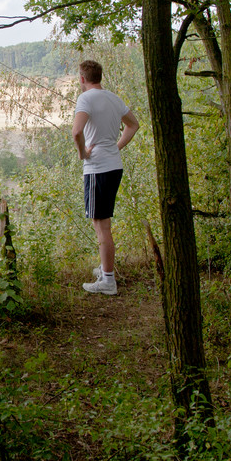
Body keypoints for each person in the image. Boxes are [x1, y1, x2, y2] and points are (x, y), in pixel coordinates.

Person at [73, 60, 140, 295]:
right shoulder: (113, 98)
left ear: (82, 79)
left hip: (97, 168)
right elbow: (133, 125)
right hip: (113, 165)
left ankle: (108, 280)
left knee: (101, 225)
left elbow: (77, 131)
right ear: (99, 76)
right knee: (102, 223)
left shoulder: (85, 99)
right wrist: (115, 147)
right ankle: (105, 269)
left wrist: (83, 153)